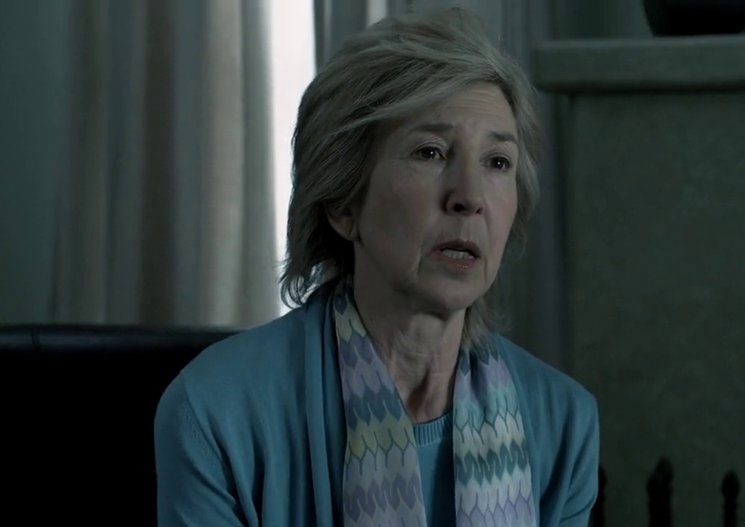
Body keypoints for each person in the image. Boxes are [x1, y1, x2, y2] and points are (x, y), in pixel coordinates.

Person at [154, 7, 599, 527]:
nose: (470, 196)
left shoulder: (562, 424)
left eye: (497, 162)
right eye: (430, 152)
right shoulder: (217, 412)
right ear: (343, 204)